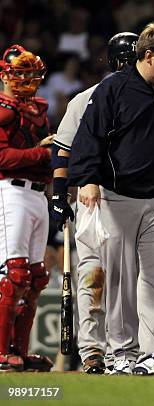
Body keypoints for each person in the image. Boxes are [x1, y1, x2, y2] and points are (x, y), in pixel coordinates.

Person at [67, 23, 154, 376]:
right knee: (121, 280)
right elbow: (89, 137)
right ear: (148, 55)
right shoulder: (113, 89)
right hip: (118, 197)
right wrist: (89, 178)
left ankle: (153, 353)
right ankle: (121, 353)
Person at [50, 32, 139, 374]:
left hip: (134, 199)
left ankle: (128, 351)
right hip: (93, 199)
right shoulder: (86, 98)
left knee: (131, 280)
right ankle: (92, 352)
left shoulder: (153, 99)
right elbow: (63, 149)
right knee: (92, 275)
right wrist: (59, 195)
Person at [0, 45, 54, 372]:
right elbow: (2, 159)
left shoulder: (37, 110)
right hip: (10, 193)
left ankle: (19, 351)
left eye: (32, 73)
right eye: (21, 73)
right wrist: (41, 155)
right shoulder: (3, 110)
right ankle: (2, 352)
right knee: (14, 275)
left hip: (37, 195)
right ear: (6, 75)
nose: (28, 80)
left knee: (35, 278)